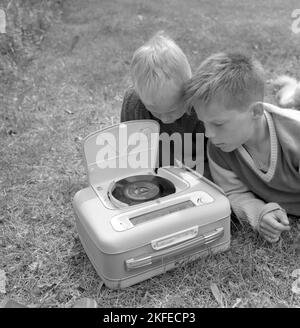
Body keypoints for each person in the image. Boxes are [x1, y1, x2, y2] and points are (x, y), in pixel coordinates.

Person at [184, 52, 300, 243]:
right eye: (204, 123)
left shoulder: (295, 136)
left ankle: (291, 91)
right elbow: (234, 193)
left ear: (256, 111)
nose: (208, 134)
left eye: (218, 124)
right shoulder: (219, 149)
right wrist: (259, 214)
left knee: (290, 101)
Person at [120, 32, 210, 178]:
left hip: (197, 179)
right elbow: (129, 151)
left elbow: (218, 157)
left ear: (187, 90)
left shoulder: (200, 106)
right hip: (153, 179)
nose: (165, 119)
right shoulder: (134, 104)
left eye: (172, 110)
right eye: (154, 111)